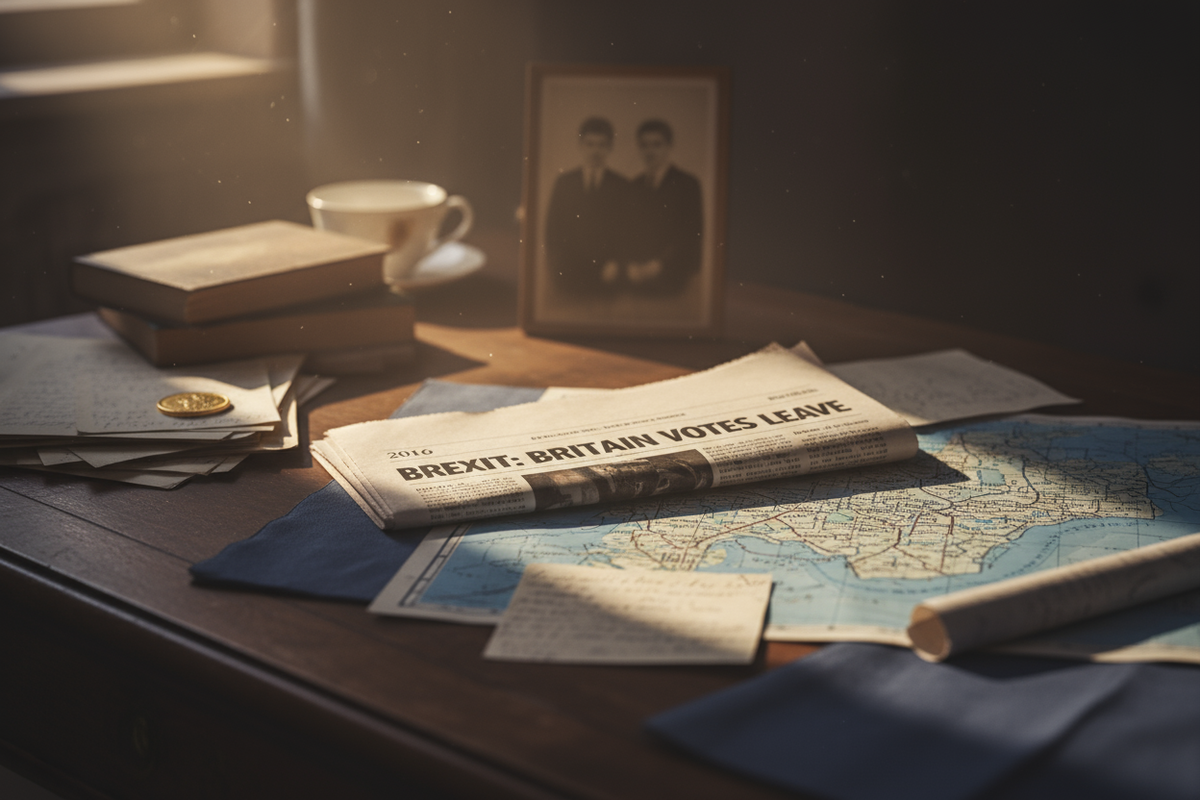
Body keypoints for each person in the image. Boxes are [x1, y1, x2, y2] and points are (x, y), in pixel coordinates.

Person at [543, 116, 629, 297]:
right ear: (581, 145)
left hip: (608, 273)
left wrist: (617, 263)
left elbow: (627, 231)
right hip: (569, 272)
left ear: (610, 147)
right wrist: (556, 264)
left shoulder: (622, 185)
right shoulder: (564, 182)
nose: (595, 151)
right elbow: (553, 228)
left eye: (601, 145)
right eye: (590, 144)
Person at [624, 119, 704, 296]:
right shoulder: (633, 186)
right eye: (644, 145)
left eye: (657, 145)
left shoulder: (688, 183)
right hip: (636, 272)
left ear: (669, 146)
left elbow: (691, 232)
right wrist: (631, 265)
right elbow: (627, 231)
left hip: (674, 272)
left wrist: (659, 264)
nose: (650, 151)